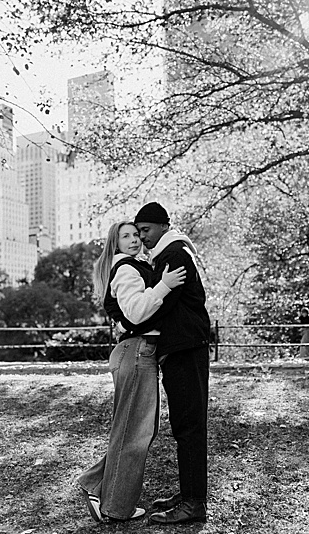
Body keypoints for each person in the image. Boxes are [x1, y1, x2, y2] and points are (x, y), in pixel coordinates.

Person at [78, 222, 186, 523]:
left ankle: (95, 484)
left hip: (137, 352)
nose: (134, 240)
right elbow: (136, 312)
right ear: (115, 243)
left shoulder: (133, 266)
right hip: (137, 351)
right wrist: (165, 285)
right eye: (125, 236)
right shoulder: (125, 268)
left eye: (136, 235)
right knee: (135, 432)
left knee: (135, 429)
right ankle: (116, 507)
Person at [133, 202, 212, 524]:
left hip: (185, 349)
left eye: (146, 230)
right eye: (139, 232)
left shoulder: (173, 255)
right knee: (185, 424)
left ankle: (194, 503)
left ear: (164, 226)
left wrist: (130, 321)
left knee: (188, 426)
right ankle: (190, 494)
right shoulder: (169, 253)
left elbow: (161, 306)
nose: (142, 237)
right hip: (184, 348)